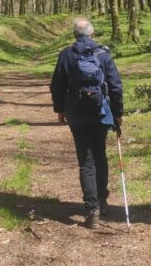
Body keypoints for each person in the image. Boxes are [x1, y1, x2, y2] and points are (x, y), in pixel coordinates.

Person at [49, 17, 124, 228]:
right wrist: (117, 114)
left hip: (77, 114)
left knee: (86, 161)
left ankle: (92, 211)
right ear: (92, 34)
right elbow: (116, 86)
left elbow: (57, 85)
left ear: (75, 35)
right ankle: (102, 200)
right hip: (101, 113)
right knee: (99, 154)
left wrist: (60, 110)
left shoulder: (66, 55)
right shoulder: (103, 54)